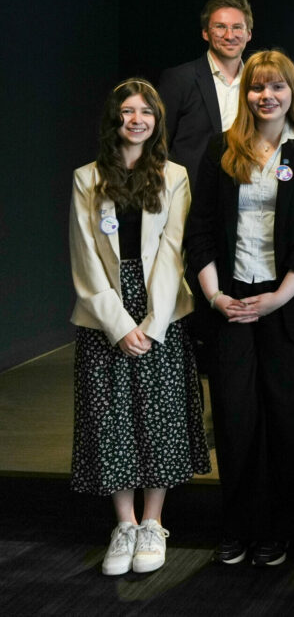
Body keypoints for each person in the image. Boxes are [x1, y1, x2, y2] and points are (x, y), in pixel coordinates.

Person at [185, 50, 294, 568]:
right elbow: (199, 230)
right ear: (245, 93)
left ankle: (283, 528)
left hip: (289, 303)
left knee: (291, 421)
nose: (266, 96)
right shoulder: (221, 149)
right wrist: (215, 296)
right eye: (256, 87)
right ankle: (239, 524)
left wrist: (276, 297)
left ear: (292, 92)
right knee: (235, 420)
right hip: (230, 300)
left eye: (277, 87)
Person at [69, 78, 210, 576]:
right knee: (112, 421)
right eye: (127, 111)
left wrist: (151, 325)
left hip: (161, 312)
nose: (136, 119)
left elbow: (175, 254)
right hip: (105, 314)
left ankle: (153, 523)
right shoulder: (87, 178)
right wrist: (119, 324)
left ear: (157, 120)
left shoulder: (174, 176)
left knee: (158, 417)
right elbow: (84, 257)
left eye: (145, 111)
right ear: (114, 119)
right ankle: (124, 525)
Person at [159, 0, 254, 173]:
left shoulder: (258, 82)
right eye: (220, 27)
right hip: (192, 191)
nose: (229, 35)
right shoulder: (179, 79)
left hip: (246, 187)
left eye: (237, 27)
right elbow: (158, 142)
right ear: (205, 33)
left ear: (248, 34)